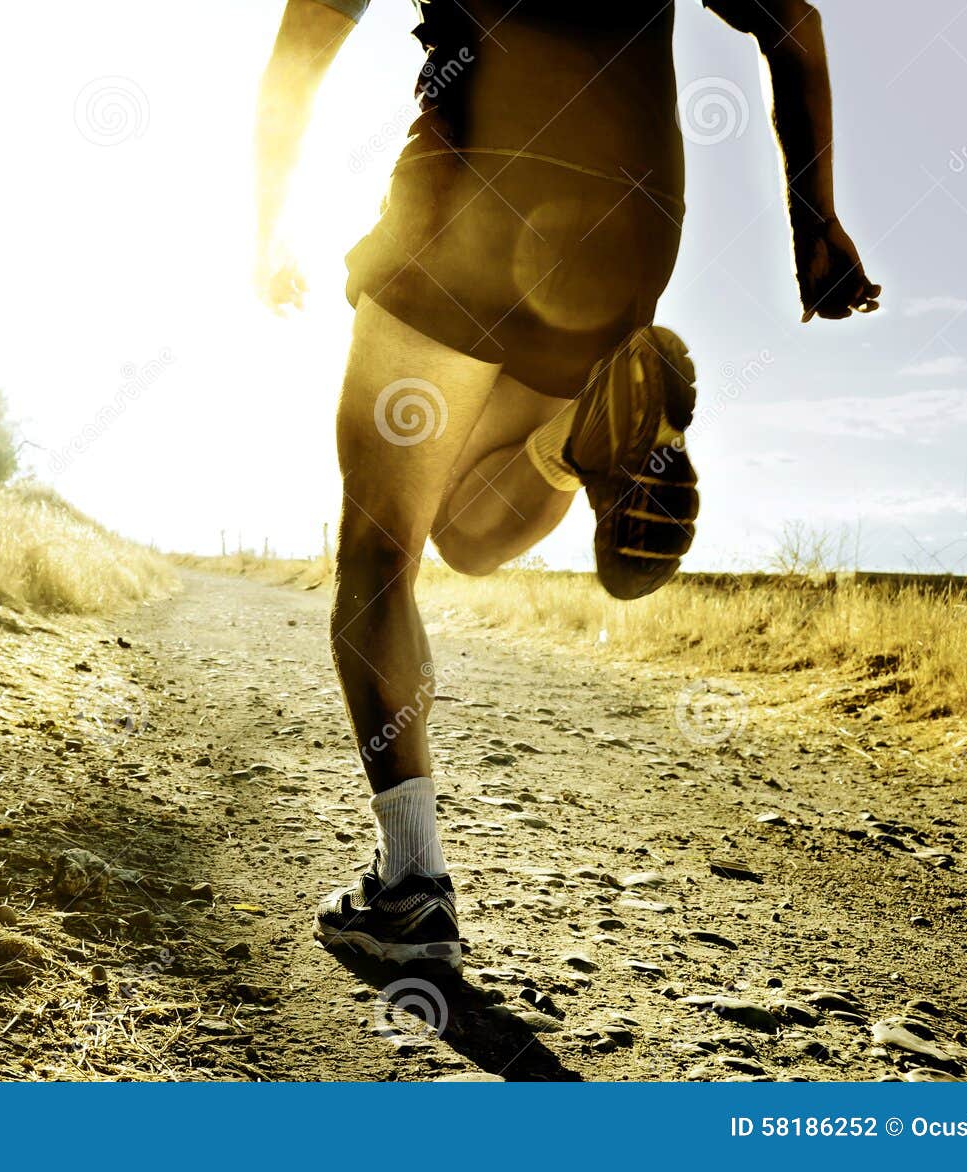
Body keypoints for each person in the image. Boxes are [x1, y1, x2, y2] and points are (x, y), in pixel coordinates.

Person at [254, 0, 881, 968]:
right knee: (466, 534)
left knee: (379, 557)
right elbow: (790, 22)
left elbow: (307, 37)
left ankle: (411, 887)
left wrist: (266, 220)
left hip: (472, 200)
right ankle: (572, 438)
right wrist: (814, 217)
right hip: (628, 228)